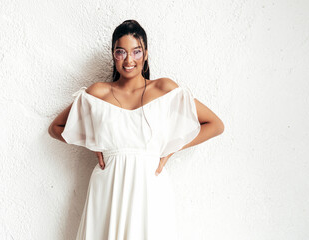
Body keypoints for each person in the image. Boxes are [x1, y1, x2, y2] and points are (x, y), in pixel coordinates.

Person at [48, 19, 224, 240]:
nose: (129, 60)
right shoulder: (98, 93)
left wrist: (170, 150)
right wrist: (94, 143)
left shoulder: (164, 89)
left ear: (146, 54)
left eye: (136, 52)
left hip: (150, 188)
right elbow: (56, 128)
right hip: (108, 188)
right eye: (121, 52)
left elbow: (215, 125)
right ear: (113, 54)